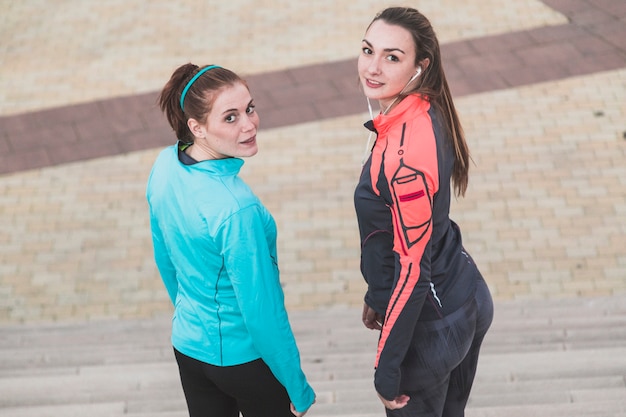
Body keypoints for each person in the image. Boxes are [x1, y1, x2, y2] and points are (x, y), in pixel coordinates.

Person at [146, 63, 315, 417]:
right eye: (230, 117)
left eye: (250, 108)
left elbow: (165, 259)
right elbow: (262, 308)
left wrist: (191, 315)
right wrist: (297, 386)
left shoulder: (164, 166)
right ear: (197, 128)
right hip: (244, 361)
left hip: (189, 347)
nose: (249, 124)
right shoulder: (237, 208)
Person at [353, 7, 494, 417]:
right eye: (367, 50)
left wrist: (386, 368)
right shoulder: (423, 106)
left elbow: (413, 272)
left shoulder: (404, 158)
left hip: (434, 325)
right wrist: (377, 291)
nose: (373, 68)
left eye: (392, 57)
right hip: (464, 294)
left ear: (420, 66)